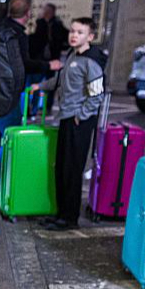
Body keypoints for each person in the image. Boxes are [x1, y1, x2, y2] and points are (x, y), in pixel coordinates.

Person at [32, 17, 106, 231]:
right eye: (72, 31)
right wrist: (40, 86)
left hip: (78, 122)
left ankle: (69, 218)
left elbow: (97, 95)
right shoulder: (74, 55)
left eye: (80, 32)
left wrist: (81, 115)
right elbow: (60, 80)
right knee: (62, 167)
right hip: (67, 117)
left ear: (90, 37)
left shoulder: (91, 61)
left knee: (72, 170)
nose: (74, 35)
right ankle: (60, 213)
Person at [0, 0, 62, 172]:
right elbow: (23, 65)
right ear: (27, 13)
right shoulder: (17, 35)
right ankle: (2, 184)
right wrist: (48, 65)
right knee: (11, 143)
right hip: (9, 97)